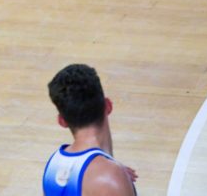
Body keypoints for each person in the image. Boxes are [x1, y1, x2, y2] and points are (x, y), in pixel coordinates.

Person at [43, 64, 138, 196]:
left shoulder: (53, 165)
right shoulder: (110, 178)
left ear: (62, 121)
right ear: (108, 105)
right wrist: (113, 177)